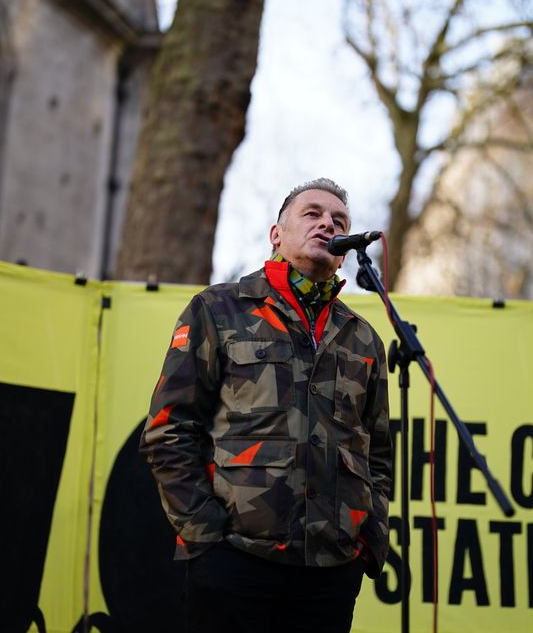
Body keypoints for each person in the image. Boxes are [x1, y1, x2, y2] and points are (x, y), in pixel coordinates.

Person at [140, 178, 392, 633]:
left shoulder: (363, 338)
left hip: (330, 574)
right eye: (311, 214)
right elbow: (168, 429)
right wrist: (205, 536)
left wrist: (368, 541)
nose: (326, 224)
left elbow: (378, 454)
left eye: (338, 221)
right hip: (234, 563)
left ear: (345, 248)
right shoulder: (218, 310)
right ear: (276, 234)